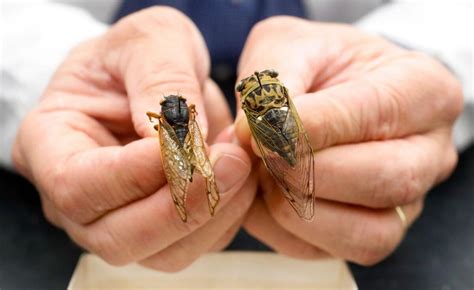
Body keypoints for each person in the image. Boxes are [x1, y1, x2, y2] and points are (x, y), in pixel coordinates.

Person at [1, 0, 472, 271]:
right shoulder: (167, 118)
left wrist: (410, 68)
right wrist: (56, 71)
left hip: (339, 106)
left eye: (263, 89)